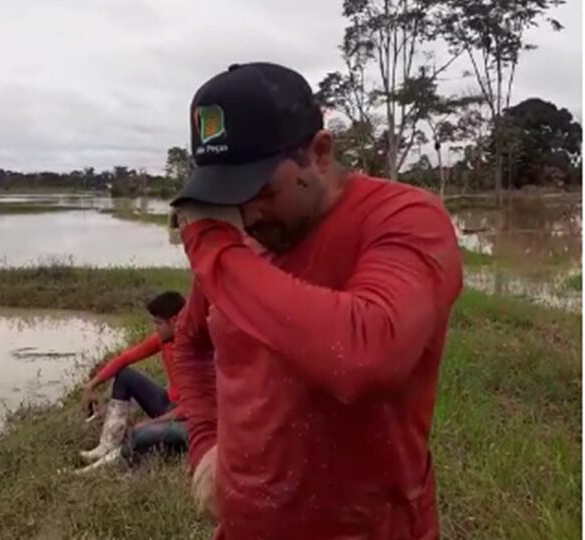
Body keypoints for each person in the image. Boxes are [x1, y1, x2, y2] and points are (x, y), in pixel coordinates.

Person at [170, 62, 463, 539]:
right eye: (229, 197)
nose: (247, 215)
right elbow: (191, 342)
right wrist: (205, 442)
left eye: (262, 190)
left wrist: (211, 249)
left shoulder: (405, 218)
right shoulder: (235, 244)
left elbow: (366, 355)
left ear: (320, 153)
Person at [77, 291, 189, 473]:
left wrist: (154, 422)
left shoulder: (196, 352)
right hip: (170, 405)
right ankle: (107, 446)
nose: (156, 328)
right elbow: (126, 358)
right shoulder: (165, 339)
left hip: (190, 421)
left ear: (175, 321)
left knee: (142, 433)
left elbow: (195, 408)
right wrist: (92, 385)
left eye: (158, 323)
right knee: (125, 375)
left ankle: (107, 464)